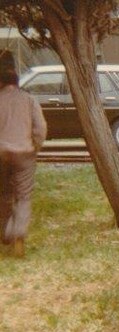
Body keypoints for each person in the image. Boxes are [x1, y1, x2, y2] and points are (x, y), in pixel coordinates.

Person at [0, 66, 47, 258]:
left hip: (1, 153)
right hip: (24, 153)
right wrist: (35, 146)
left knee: (3, 193)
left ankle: (4, 233)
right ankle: (18, 233)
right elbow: (40, 127)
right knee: (23, 196)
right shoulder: (29, 100)